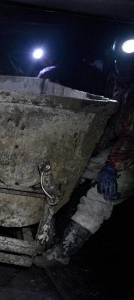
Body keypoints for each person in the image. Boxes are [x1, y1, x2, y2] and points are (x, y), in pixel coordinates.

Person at [33, 34, 134, 268]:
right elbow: (114, 121)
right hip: (120, 147)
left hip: (130, 152)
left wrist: (110, 167)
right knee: (75, 173)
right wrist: (91, 150)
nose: (122, 67)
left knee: (100, 195)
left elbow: (131, 133)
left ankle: (63, 252)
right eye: (120, 62)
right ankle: (46, 231)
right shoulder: (116, 79)